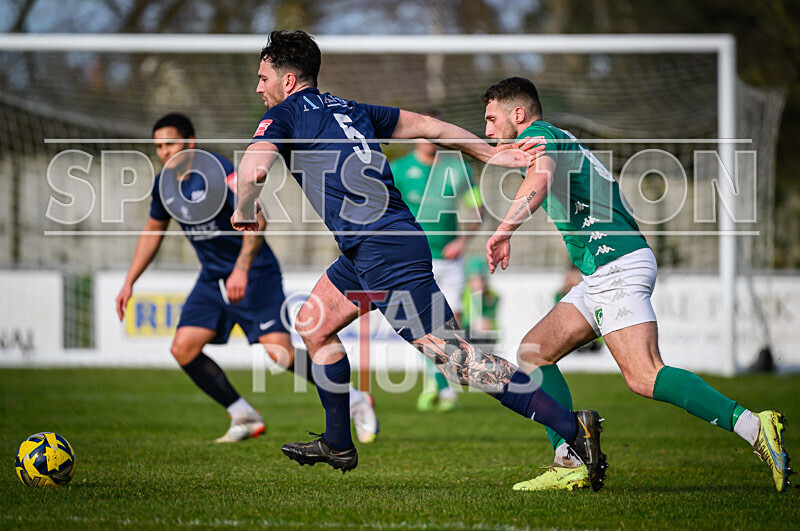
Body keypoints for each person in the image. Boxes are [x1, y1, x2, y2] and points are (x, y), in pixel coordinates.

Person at [232, 30, 607, 490]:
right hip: (369, 249)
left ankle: (573, 427)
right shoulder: (352, 109)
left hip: (383, 250)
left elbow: (253, 169)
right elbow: (431, 126)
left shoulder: (284, 114)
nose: (259, 87)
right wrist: (489, 153)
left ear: (288, 81)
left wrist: (244, 209)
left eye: (263, 78)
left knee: (458, 361)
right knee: (314, 324)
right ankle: (337, 441)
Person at [482, 77, 791, 492]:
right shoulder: (553, 138)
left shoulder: (540, 136)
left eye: (491, 118)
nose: (487, 128)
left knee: (644, 375)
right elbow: (500, 156)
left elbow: (539, 178)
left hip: (616, 265)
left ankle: (753, 425)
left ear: (518, 114)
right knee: (534, 352)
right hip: (604, 269)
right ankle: (570, 458)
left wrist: (504, 230)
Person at [115, 112, 378, 444]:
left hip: (254, 271)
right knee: (183, 348)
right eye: (159, 146)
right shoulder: (164, 185)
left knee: (280, 354)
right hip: (213, 277)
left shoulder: (221, 171)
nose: (165, 152)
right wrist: (130, 282)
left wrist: (241, 268)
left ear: (189, 142)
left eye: (171, 143)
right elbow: (153, 232)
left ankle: (354, 399)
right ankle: (244, 415)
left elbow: (259, 219)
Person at [390, 112, 482, 412]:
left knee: (452, 327)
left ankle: (439, 380)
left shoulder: (458, 170)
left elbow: (477, 210)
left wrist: (462, 241)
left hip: (451, 261)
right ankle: (441, 385)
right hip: (414, 261)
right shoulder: (399, 169)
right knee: (424, 326)